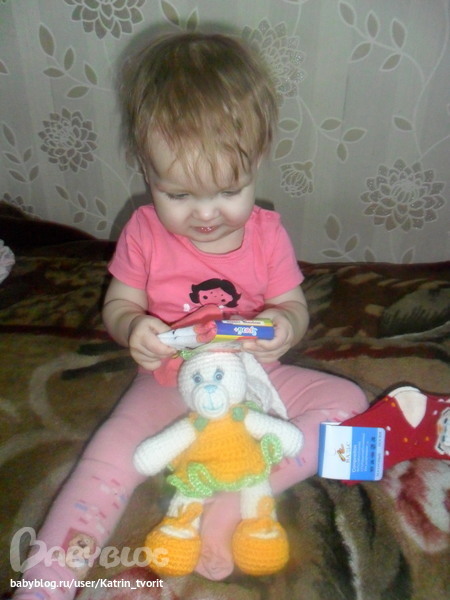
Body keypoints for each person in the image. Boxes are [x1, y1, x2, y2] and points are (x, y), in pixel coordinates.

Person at [13, 32, 367, 599]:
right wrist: (133, 327)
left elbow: (293, 307)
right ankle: (43, 583)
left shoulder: (267, 235)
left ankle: (232, 498)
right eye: (177, 194)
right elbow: (119, 304)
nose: (205, 214)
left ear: (258, 160)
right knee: (107, 459)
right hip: (168, 380)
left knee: (349, 404)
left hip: (254, 378)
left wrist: (284, 328)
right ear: (146, 170)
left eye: (229, 189)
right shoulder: (143, 232)